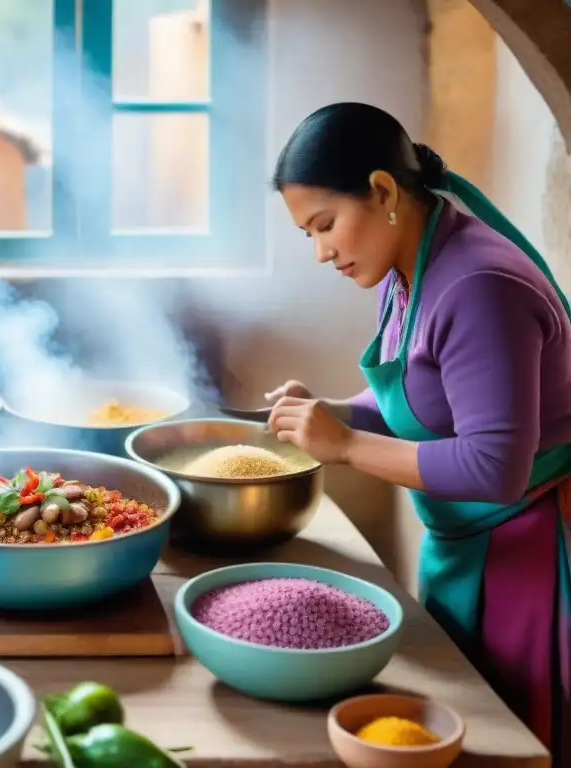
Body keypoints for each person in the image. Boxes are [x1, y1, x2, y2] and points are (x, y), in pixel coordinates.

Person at [266, 102, 570, 759]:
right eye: (307, 235)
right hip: (467, 545)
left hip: (533, 554)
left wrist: (345, 446)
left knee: (512, 744)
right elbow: (421, 406)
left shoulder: (479, 288)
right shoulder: (408, 263)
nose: (321, 253)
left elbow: (496, 469)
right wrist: (329, 413)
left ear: (381, 191)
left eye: (326, 226)